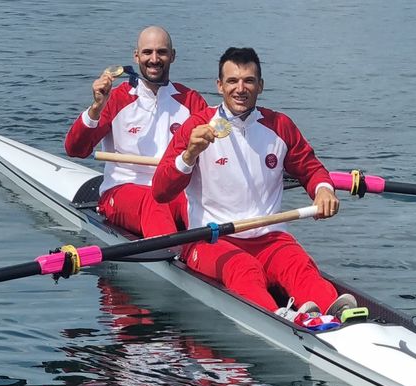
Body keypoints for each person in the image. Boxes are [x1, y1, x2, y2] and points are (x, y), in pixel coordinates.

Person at [152, 46, 357, 317]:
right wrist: (189, 155)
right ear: (219, 86)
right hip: (211, 239)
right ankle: (279, 318)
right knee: (244, 270)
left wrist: (323, 190)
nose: (240, 89)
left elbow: (311, 169)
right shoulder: (197, 127)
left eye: (248, 81)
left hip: (269, 237)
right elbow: (160, 192)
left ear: (260, 85)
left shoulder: (280, 126)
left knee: (299, 266)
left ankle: (337, 315)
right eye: (232, 81)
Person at [65, 26, 209, 238]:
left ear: (173, 56)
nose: (154, 59)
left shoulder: (191, 100)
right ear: (136, 56)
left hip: (174, 190)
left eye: (161, 52)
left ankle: (208, 255)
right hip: (123, 190)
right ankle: (172, 257)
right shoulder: (116, 98)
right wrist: (96, 108)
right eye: (147, 52)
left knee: (205, 203)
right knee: (154, 200)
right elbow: (75, 149)